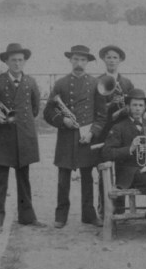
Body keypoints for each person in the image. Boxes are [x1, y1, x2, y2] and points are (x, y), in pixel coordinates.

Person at [0, 43, 46, 234]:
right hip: (3, 138)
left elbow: (34, 108)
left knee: (24, 179)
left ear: (25, 62)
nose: (17, 63)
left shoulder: (30, 82)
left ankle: (27, 217)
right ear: (6, 61)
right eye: (13, 60)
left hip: (25, 138)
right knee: (0, 181)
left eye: (20, 60)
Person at [43, 45, 107, 229]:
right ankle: (61, 216)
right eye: (76, 59)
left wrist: (92, 133)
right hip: (66, 137)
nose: (79, 63)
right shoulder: (61, 83)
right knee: (63, 179)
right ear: (70, 60)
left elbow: (102, 115)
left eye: (83, 60)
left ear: (87, 62)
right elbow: (48, 111)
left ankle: (89, 215)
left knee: (88, 178)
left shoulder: (96, 84)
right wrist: (63, 120)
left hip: (86, 138)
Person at [102, 89, 146, 247]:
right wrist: (130, 149)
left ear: (145, 107)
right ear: (128, 107)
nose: (137, 108)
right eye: (134, 105)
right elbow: (106, 152)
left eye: (141, 105)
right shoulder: (119, 127)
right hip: (130, 174)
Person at [96, 44, 134, 217]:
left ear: (120, 60)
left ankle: (119, 209)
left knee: (122, 169)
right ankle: (104, 209)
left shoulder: (126, 83)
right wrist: (111, 105)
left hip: (123, 131)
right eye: (108, 57)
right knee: (104, 170)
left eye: (115, 57)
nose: (111, 60)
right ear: (104, 60)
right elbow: (95, 108)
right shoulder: (97, 81)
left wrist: (127, 107)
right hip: (105, 130)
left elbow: (134, 105)